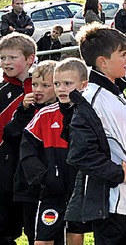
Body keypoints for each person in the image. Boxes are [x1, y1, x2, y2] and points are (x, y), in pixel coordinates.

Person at [65, 24, 126, 244]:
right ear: (102, 61)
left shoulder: (116, 90)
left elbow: (116, 139)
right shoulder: (90, 100)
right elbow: (80, 154)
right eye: (123, 55)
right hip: (113, 203)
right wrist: (119, 174)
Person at [20, 58, 92, 245]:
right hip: (52, 193)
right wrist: (44, 177)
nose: (61, 89)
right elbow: (27, 148)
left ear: (84, 85)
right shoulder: (45, 115)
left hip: (79, 191)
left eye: (67, 84)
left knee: (75, 235)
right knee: (43, 240)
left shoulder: (91, 114)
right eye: (57, 84)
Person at [6, 61, 56, 245]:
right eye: (35, 84)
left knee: (55, 233)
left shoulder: (64, 111)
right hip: (27, 186)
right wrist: (23, 112)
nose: (38, 90)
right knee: (32, 233)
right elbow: (11, 135)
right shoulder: (28, 110)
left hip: (53, 186)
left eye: (45, 85)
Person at [0, 32, 36, 245]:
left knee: (37, 230)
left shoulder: (43, 87)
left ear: (30, 58)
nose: (6, 62)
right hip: (5, 170)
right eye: (3, 58)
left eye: (12, 57)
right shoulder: (2, 90)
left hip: (34, 171)